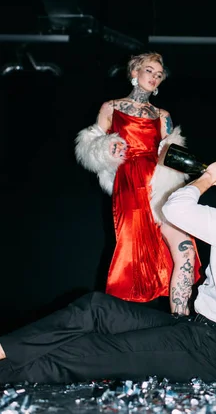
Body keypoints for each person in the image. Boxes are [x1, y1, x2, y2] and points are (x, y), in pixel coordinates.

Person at [0, 156, 216, 385]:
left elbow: (176, 208)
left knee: (84, 353)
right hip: (202, 334)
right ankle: (5, 349)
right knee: (96, 308)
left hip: (214, 350)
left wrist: (207, 180)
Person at [74, 51, 201, 315]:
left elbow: (171, 153)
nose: (154, 77)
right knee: (131, 251)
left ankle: (183, 322)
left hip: (161, 185)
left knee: (185, 249)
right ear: (134, 72)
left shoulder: (162, 115)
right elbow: (91, 147)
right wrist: (108, 150)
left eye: (158, 74)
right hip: (129, 181)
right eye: (149, 71)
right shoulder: (111, 107)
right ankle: (117, 321)